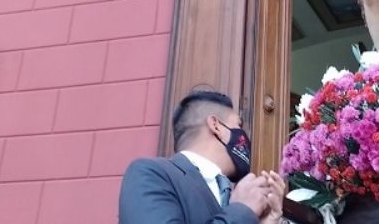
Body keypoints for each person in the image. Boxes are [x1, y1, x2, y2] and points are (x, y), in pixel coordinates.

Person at [119, 91, 287, 224]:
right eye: (238, 125)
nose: (245, 137)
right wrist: (242, 210)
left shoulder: (236, 196)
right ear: (216, 126)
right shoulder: (150, 174)